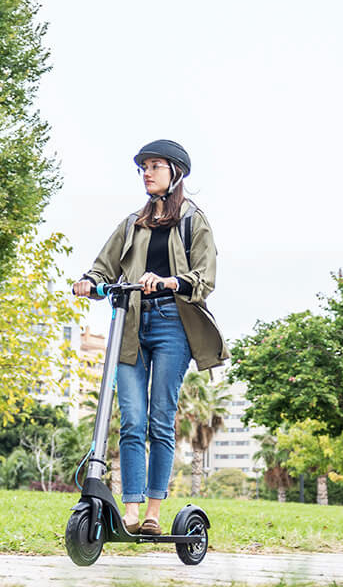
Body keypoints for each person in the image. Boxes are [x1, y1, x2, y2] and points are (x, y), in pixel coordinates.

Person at [72, 139, 227, 535]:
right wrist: (89, 282)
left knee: (159, 419)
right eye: (143, 167)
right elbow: (103, 266)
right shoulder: (132, 223)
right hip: (130, 324)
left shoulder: (193, 220)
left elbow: (205, 278)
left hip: (173, 324)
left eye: (155, 166)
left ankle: (154, 512)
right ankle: (130, 510)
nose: (147, 172)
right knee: (131, 421)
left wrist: (170, 280)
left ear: (175, 173)